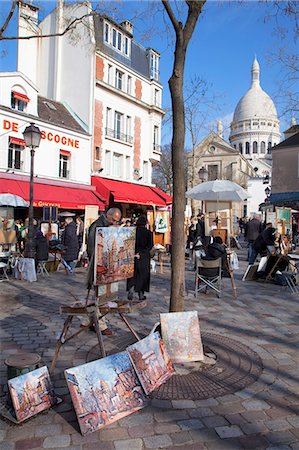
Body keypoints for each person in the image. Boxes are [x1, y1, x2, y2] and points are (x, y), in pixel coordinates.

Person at [86, 207, 122, 336]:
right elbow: (91, 248)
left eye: (117, 221)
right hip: (98, 266)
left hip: (107, 266)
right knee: (100, 295)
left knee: (103, 295)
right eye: (113, 220)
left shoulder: (109, 227)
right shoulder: (96, 226)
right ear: (108, 215)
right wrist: (98, 265)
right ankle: (100, 324)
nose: (114, 223)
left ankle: (89, 321)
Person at [127, 215, 153, 301]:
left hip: (133, 255)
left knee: (132, 274)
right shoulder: (149, 233)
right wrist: (141, 254)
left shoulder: (132, 232)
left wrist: (134, 253)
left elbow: (128, 244)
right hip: (144, 257)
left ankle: (131, 289)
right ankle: (141, 294)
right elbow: (149, 246)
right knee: (142, 275)